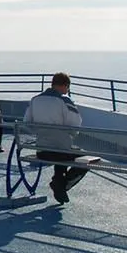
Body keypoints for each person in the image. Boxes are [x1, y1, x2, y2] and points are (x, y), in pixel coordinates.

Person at [24, 72, 85, 204]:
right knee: (84, 158)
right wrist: (71, 134)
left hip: (42, 151)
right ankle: (61, 185)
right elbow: (75, 124)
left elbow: (27, 122)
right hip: (61, 151)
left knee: (62, 152)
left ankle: (59, 183)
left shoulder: (35, 99)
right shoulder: (65, 100)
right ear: (65, 85)